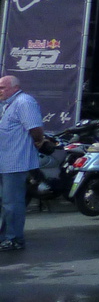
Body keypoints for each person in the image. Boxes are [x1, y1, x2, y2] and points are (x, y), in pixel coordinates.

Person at [0, 75, 45, 252]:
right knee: (7, 203)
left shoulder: (24, 102)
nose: (0, 91)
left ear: (15, 88)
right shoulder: (7, 105)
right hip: (5, 161)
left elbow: (35, 129)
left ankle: (14, 239)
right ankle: (6, 236)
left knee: (13, 203)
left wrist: (39, 141)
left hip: (16, 162)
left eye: (2, 87)